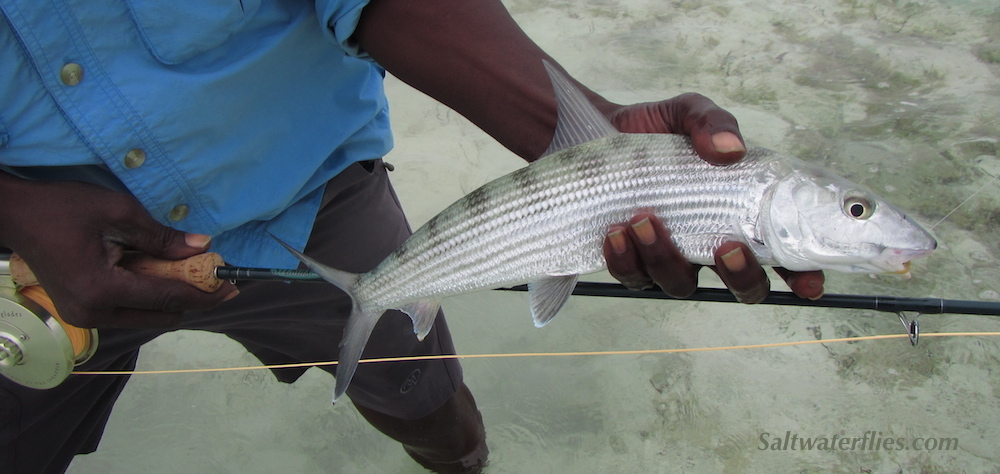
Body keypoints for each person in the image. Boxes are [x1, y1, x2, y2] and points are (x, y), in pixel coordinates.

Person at [0, 0, 825, 472]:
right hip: (25, 251)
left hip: (312, 197)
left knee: (432, 411)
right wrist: (14, 209)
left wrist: (583, 131)